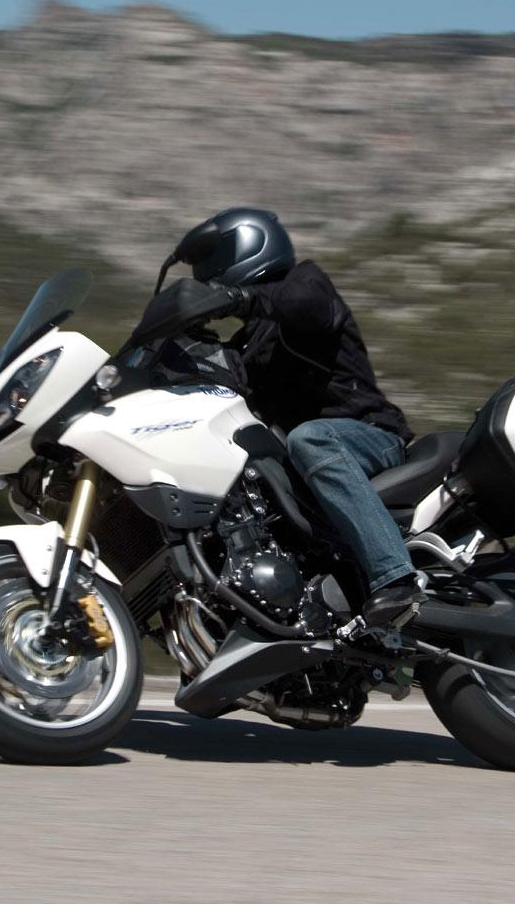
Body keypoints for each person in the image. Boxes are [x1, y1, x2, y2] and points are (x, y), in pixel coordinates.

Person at [166, 206, 425, 626]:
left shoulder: (306, 284)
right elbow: (219, 379)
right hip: (312, 465)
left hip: (370, 437)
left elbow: (302, 304)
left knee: (309, 438)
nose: (206, 277)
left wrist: (240, 297)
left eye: (211, 263)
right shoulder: (247, 344)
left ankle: (395, 577)